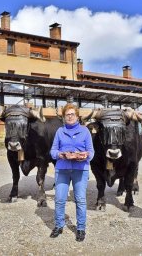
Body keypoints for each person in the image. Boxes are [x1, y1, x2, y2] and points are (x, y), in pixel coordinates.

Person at [49, 103, 94, 242]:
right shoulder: (59, 131)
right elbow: (53, 151)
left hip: (80, 170)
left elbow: (91, 152)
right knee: (59, 199)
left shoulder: (85, 131)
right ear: (64, 117)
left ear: (77, 116)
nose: (70, 116)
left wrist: (84, 155)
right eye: (67, 114)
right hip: (62, 169)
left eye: (72, 114)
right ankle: (58, 225)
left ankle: (81, 228)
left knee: (80, 199)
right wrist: (61, 155)